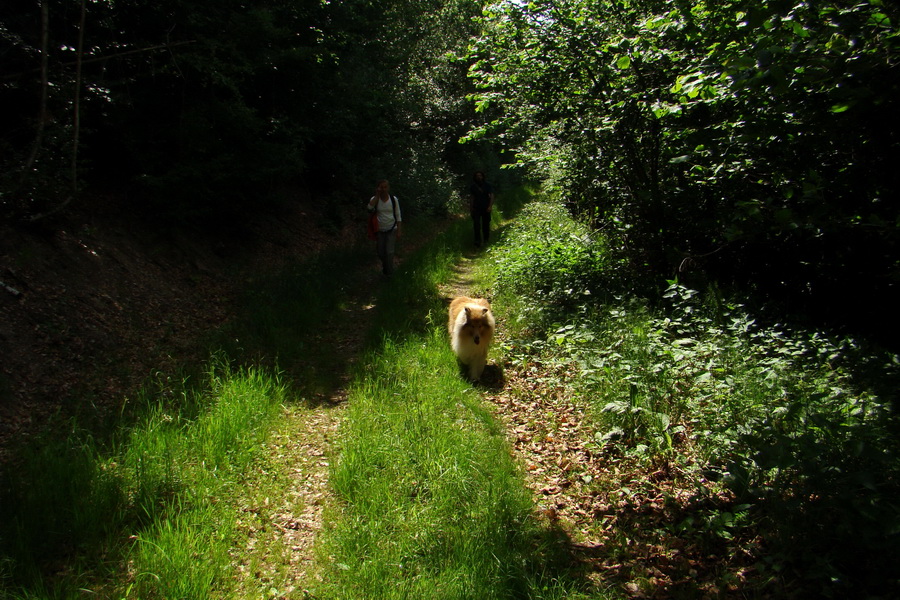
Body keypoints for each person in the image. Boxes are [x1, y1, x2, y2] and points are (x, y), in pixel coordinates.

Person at [367, 179, 402, 277]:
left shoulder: (393, 199)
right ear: (378, 188)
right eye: (381, 187)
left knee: (389, 252)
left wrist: (399, 230)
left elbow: (398, 215)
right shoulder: (375, 199)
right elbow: (369, 208)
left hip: (392, 228)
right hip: (379, 230)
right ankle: (386, 268)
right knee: (380, 252)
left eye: (385, 187)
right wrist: (377, 196)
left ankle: (389, 274)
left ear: (388, 188)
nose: (383, 189)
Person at [469, 171, 494, 247]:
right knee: (476, 225)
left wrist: (490, 206)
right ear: (475, 177)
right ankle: (477, 241)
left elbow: (492, 195)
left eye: (480, 176)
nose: (479, 177)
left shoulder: (487, 185)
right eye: (477, 176)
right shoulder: (473, 187)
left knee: (485, 225)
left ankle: (486, 239)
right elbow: (472, 197)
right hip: (476, 208)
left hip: (486, 207)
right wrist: (471, 207)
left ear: (483, 176)